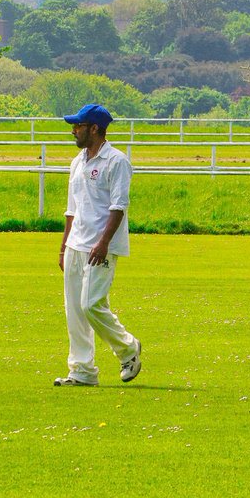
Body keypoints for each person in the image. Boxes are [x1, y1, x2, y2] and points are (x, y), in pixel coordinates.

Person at [53, 103, 142, 387]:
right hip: (76, 245)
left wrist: (103, 243)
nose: (73, 130)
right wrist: (63, 247)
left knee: (91, 304)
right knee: (74, 311)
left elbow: (118, 207)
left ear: (94, 128)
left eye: (78, 125)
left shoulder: (116, 161)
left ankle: (128, 349)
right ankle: (82, 371)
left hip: (101, 245)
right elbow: (72, 209)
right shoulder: (77, 162)